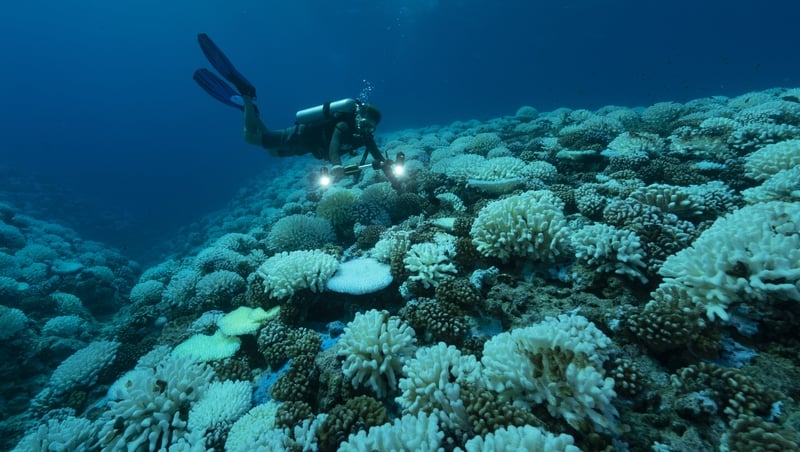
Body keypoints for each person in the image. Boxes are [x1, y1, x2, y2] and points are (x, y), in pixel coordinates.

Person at [192, 33, 385, 182]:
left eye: (371, 127)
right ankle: (246, 96)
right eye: (366, 123)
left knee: (273, 152)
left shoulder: (365, 135)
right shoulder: (344, 125)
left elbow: (376, 154)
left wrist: (391, 171)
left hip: (307, 146)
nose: (367, 129)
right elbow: (334, 147)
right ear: (359, 117)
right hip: (298, 136)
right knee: (249, 137)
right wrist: (336, 166)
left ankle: (251, 111)